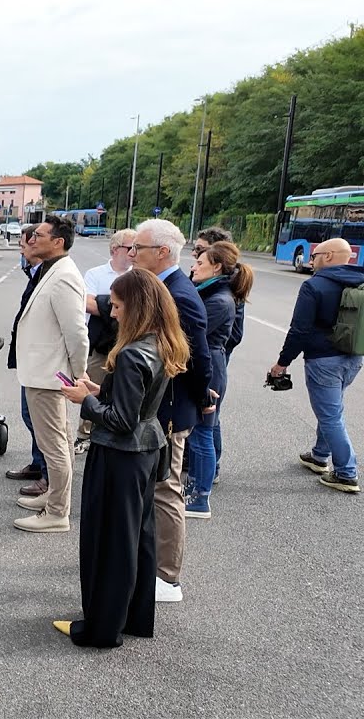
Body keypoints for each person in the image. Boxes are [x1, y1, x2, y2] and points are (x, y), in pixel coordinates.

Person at [55, 267, 188, 648]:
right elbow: (140, 403)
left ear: (136, 306)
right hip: (146, 451)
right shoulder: (162, 341)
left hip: (120, 454)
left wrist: (86, 401)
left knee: (109, 543)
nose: (112, 313)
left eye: (116, 306)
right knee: (137, 539)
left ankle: (100, 628)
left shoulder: (131, 353)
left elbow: (121, 420)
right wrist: (101, 391)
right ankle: (132, 618)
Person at [127, 219, 213, 603]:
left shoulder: (178, 295)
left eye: (139, 248)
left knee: (166, 490)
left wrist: (202, 398)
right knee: (152, 488)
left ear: (162, 252)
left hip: (172, 410)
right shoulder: (163, 287)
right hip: (160, 407)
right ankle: (149, 561)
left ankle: (167, 577)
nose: (132, 254)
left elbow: (197, 359)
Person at [13, 215, 89, 533]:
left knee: (55, 446)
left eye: (39, 236)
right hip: (43, 372)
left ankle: (57, 512)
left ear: (58, 242)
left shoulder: (64, 277)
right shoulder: (52, 269)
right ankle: (53, 498)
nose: (32, 239)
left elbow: (76, 332)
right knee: (56, 442)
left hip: (49, 375)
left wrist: (79, 375)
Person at [271, 236, 364, 494]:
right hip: (354, 357)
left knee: (331, 415)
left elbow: (299, 330)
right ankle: (319, 455)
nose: (311, 261)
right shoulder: (359, 280)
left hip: (323, 360)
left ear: (329, 256)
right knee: (331, 408)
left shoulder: (314, 286)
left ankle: (346, 473)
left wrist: (282, 362)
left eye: (315, 256)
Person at [183, 243, 253, 517]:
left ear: (217, 267)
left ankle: (200, 498)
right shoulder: (212, 293)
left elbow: (194, 335)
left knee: (202, 432)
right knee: (201, 430)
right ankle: (194, 487)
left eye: (200, 263)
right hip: (211, 363)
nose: (193, 267)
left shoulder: (219, 300)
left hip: (209, 367)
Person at [75, 229, 135, 454]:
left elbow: (96, 303)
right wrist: (121, 306)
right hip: (101, 344)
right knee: (93, 386)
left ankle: (108, 434)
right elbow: (86, 303)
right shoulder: (96, 273)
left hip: (127, 342)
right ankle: (84, 434)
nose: (133, 253)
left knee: (120, 392)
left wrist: (102, 303)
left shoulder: (138, 274)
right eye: (130, 248)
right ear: (115, 249)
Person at [5, 225, 50, 498]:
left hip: (42, 361)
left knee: (39, 420)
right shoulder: (35, 272)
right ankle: (38, 464)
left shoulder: (48, 275)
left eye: (23, 244)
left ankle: (47, 475)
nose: (21, 250)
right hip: (31, 358)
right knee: (29, 414)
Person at [192, 226, 247, 358]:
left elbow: (234, 335)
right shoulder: (203, 283)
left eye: (199, 249)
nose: (194, 253)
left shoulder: (222, 298)